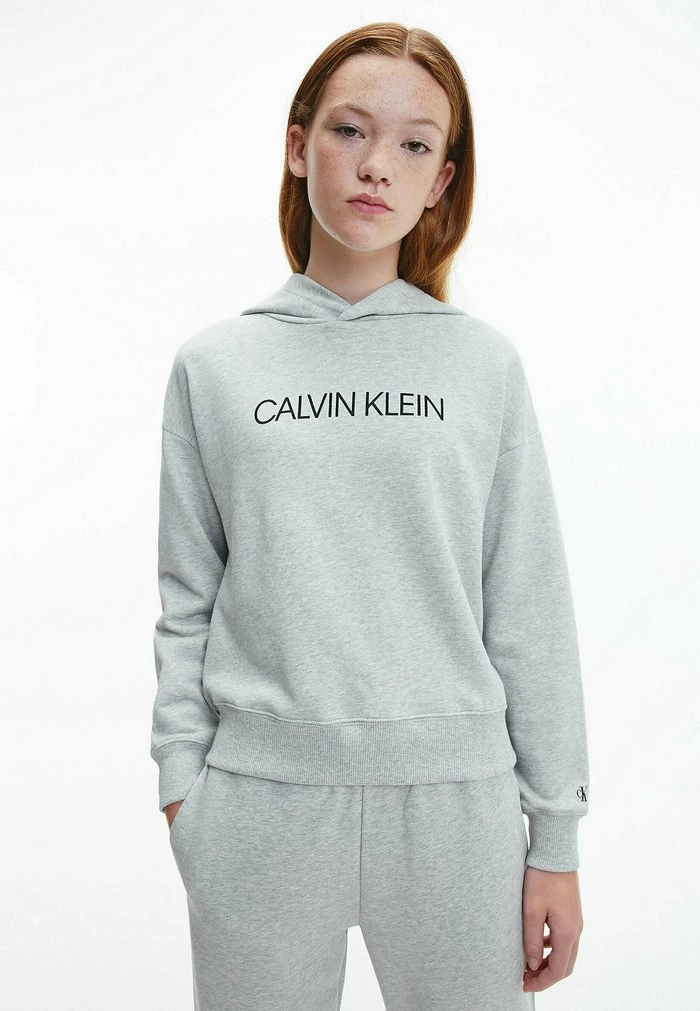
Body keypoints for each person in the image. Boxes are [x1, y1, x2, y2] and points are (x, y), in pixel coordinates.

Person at [150, 21, 590, 1011]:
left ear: (441, 182)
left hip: (458, 809)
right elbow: (187, 598)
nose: (377, 164)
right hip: (257, 807)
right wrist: (184, 790)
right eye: (350, 130)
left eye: (414, 144)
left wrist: (555, 837)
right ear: (297, 144)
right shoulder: (216, 365)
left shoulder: (481, 365)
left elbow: (528, 603)